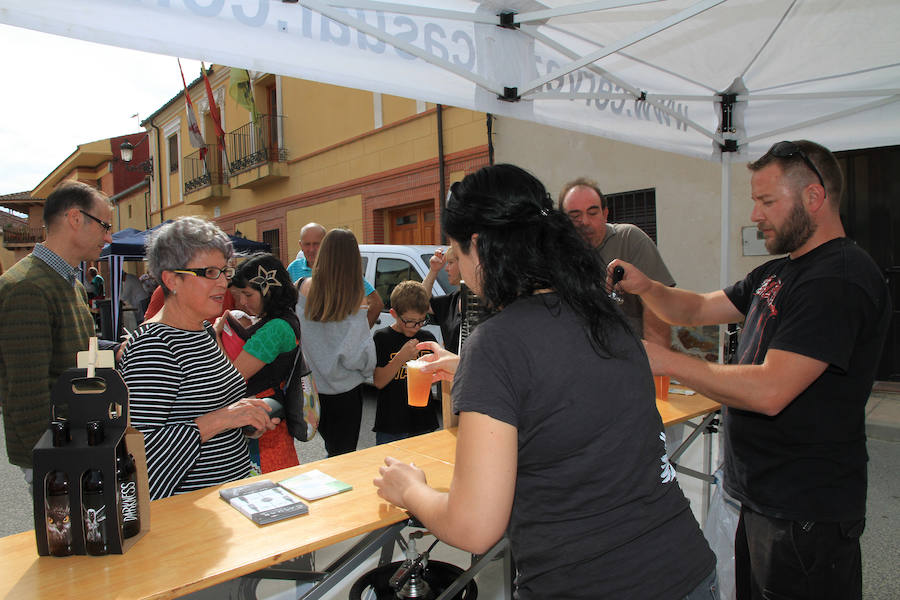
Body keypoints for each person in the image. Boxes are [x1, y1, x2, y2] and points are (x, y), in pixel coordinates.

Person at [374, 164, 716, 599]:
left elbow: (473, 526)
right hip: (685, 569)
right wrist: (470, 372)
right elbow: (562, 388)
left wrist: (412, 490)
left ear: (478, 247)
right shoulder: (602, 314)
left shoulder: (497, 342)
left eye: (458, 257)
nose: (459, 271)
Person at [610, 140, 890, 600]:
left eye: (767, 201)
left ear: (813, 198)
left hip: (805, 510)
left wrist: (663, 360)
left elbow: (770, 389)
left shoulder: (838, 278)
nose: (756, 215)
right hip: (763, 499)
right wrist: (647, 287)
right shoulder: (778, 273)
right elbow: (696, 308)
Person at [120, 217, 278, 500]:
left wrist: (243, 420)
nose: (222, 283)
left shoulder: (204, 330)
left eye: (224, 271)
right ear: (171, 279)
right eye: (209, 272)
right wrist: (223, 419)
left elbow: (201, 411)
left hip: (228, 499)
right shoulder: (154, 346)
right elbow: (140, 457)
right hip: (189, 515)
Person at [0, 181, 113, 483]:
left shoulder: (68, 282)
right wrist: (53, 463)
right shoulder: (28, 286)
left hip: (73, 444)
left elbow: (75, 359)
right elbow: (26, 392)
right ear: (75, 219)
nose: (108, 236)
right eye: (104, 226)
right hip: (55, 454)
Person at [559, 177, 675, 346]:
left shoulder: (630, 240)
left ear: (605, 214)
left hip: (630, 356)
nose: (584, 221)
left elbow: (657, 308)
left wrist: (657, 368)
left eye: (592, 213)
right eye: (575, 216)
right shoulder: (556, 255)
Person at [216, 253, 302, 474]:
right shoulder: (283, 319)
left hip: (263, 428)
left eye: (248, 294)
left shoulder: (274, 329)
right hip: (270, 420)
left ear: (268, 290)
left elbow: (232, 377)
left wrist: (217, 337)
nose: (242, 302)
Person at [296, 228, 375, 456]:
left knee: (331, 451)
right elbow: (357, 353)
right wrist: (369, 367)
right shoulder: (355, 296)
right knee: (343, 457)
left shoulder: (300, 286)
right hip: (345, 390)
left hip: (311, 388)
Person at [372, 281, 439, 445]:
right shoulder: (382, 338)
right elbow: (379, 382)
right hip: (391, 425)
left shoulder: (428, 338)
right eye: (410, 321)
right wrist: (401, 357)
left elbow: (438, 380)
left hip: (424, 421)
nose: (415, 327)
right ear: (394, 313)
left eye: (421, 321)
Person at [287, 222, 384, 327]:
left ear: (326, 245)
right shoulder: (293, 268)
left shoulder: (341, 271)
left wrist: (358, 335)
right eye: (307, 244)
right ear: (300, 245)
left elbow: (376, 304)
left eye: (316, 244)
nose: (311, 249)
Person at [422, 246, 462, 353]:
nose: (446, 268)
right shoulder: (451, 301)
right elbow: (421, 302)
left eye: (450, 262)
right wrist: (433, 270)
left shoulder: (486, 301)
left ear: (464, 263)